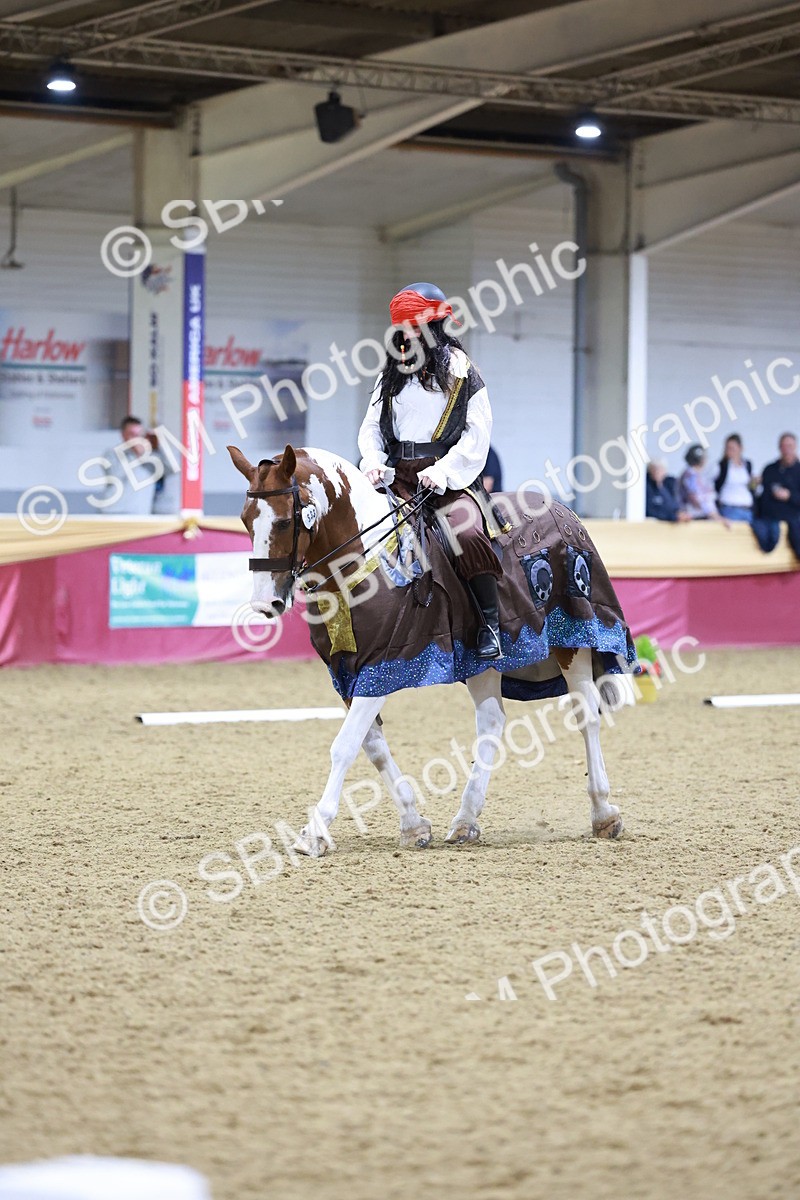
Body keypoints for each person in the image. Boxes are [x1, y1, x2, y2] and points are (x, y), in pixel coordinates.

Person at [358, 281, 504, 660]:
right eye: (400, 327)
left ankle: (490, 625)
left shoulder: (459, 368)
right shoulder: (390, 371)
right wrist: (372, 460)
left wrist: (444, 471)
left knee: (466, 533)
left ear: (431, 326)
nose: (404, 334)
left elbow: (477, 432)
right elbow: (372, 427)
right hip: (398, 476)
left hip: (447, 479)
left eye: (411, 326)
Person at [97, 415, 175, 515]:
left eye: (139, 435)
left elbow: (171, 469)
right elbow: (115, 475)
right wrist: (136, 455)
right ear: (123, 435)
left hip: (140, 514)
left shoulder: (150, 457)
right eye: (132, 434)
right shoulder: (112, 454)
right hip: (113, 512)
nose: (136, 439)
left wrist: (160, 442)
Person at [753, 432, 800, 558]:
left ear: (795, 447)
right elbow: (761, 495)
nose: (787, 450)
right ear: (779, 448)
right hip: (769, 518)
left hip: (793, 518)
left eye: (790, 446)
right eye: (784, 446)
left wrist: (789, 496)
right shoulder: (770, 469)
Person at [679, 444, 729, 525]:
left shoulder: (698, 475)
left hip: (703, 518)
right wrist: (715, 516)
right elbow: (696, 498)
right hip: (694, 518)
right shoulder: (690, 474)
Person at [715, 433, 756, 522]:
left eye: (732, 449)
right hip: (730, 508)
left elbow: (750, 487)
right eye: (728, 448)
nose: (729, 451)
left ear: (740, 449)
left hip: (747, 509)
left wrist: (754, 483)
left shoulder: (747, 464)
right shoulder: (722, 466)